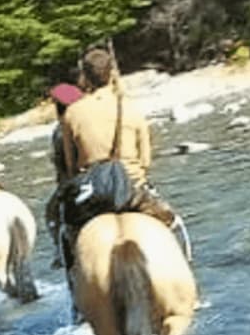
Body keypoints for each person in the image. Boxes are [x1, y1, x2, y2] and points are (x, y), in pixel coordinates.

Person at [58, 46, 188, 268]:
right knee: (174, 224)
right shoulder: (131, 108)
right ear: (111, 73)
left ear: (85, 76)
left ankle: (75, 290)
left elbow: (70, 166)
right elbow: (145, 161)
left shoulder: (72, 114)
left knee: (66, 235)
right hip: (133, 189)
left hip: (93, 196)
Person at [45, 82, 84, 270]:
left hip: (74, 182)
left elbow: (64, 166)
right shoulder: (88, 120)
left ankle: (59, 251)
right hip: (108, 174)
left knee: (51, 210)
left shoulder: (60, 130)